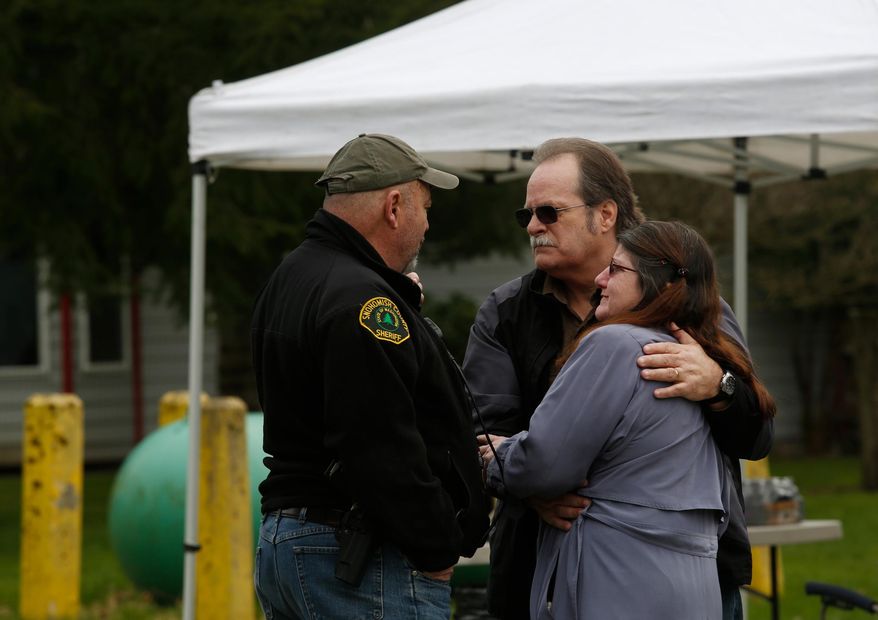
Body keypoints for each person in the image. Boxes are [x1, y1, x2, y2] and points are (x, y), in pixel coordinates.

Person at [462, 138, 773, 620]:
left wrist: (719, 386)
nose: (533, 226)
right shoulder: (506, 312)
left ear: (605, 214)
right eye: (524, 215)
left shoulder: (692, 307)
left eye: (548, 212)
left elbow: (758, 436)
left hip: (695, 567)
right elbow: (482, 433)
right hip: (541, 565)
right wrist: (536, 486)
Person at [251, 133, 491, 619]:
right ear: (395, 206)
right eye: (425, 206)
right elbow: (379, 444)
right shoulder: (365, 301)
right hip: (356, 555)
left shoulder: (295, 274)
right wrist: (437, 547)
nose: (427, 224)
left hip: (292, 540)